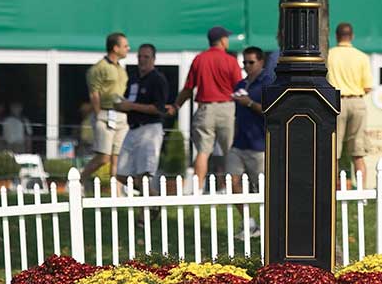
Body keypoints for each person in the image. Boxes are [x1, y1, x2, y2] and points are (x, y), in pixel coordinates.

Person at [170, 26, 240, 189]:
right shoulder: (230, 61)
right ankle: (234, 189)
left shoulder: (199, 59)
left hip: (205, 109)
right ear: (222, 40)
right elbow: (239, 88)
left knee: (203, 151)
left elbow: (188, 89)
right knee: (231, 152)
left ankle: (197, 189)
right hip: (226, 109)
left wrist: (176, 106)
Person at [115, 43, 173, 191]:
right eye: (139, 56)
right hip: (133, 128)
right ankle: (153, 199)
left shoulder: (158, 79)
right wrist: (120, 106)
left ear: (153, 59)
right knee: (121, 174)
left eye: (146, 57)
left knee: (144, 175)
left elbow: (159, 109)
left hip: (150, 129)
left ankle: (146, 210)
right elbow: (129, 101)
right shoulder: (134, 79)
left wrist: (132, 106)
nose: (142, 60)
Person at [225, 46, 270, 235]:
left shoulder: (268, 83)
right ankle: (249, 222)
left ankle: (269, 227)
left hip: (259, 144)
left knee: (263, 190)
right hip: (239, 143)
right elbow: (237, 115)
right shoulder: (240, 85)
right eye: (244, 62)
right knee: (231, 182)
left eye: (251, 62)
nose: (247, 66)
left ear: (261, 62)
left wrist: (250, 103)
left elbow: (270, 111)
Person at [80, 31, 130, 186]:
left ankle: (117, 193)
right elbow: (94, 94)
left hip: (121, 116)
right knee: (104, 157)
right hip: (105, 115)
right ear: (115, 48)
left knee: (118, 157)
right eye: (125, 46)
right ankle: (78, 181)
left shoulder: (121, 68)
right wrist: (98, 115)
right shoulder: (98, 68)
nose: (128, 48)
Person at [327, 21, 373, 186]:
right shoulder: (361, 57)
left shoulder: (329, 55)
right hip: (357, 101)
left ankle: (332, 191)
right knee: (358, 152)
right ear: (351, 36)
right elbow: (367, 87)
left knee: (334, 152)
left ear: (337, 36)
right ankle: (362, 192)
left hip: (336, 102)